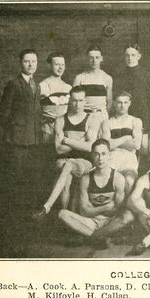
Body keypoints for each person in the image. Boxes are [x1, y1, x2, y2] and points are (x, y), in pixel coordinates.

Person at [31, 86, 100, 219]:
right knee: (66, 178)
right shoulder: (60, 120)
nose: (77, 104)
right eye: (74, 100)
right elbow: (58, 149)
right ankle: (65, 217)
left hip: (84, 162)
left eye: (80, 100)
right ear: (69, 100)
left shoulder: (92, 119)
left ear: (85, 101)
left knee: (68, 165)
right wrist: (81, 140)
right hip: (63, 160)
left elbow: (90, 148)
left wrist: (67, 140)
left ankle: (47, 206)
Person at [58, 139, 133, 248]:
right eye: (96, 154)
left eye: (103, 154)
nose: (100, 158)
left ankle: (91, 236)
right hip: (91, 222)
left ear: (109, 156)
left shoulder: (118, 178)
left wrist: (94, 210)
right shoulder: (86, 179)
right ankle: (99, 237)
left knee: (128, 216)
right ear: (92, 156)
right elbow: (84, 211)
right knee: (62, 214)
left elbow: (117, 209)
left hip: (110, 222)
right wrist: (106, 207)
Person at [0, 49, 42, 207]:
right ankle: (12, 211)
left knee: (28, 176)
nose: (30, 64)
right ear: (20, 63)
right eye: (27, 61)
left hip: (33, 140)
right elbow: (1, 113)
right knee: (15, 176)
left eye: (34, 61)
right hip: (17, 141)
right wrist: (15, 130)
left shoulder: (36, 85)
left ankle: (23, 210)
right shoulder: (14, 84)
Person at [100, 91, 142, 195]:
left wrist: (114, 142)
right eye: (119, 102)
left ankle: (126, 210)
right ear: (114, 103)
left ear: (129, 103)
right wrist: (126, 138)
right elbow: (106, 146)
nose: (122, 106)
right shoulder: (107, 122)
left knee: (129, 181)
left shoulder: (135, 121)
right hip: (111, 158)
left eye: (125, 102)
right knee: (107, 180)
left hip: (129, 159)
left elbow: (136, 145)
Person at [114, 43, 150, 133]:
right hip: (123, 114)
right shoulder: (119, 75)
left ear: (139, 56)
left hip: (142, 115)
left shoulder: (146, 75)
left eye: (133, 55)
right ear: (124, 56)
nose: (130, 58)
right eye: (127, 55)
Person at [73, 45, 113, 121]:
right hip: (83, 116)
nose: (94, 61)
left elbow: (109, 102)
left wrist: (103, 116)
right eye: (91, 58)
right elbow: (73, 100)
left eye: (97, 57)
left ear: (101, 59)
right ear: (87, 59)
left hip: (101, 116)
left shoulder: (107, 78)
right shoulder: (79, 78)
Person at [39, 52, 72, 144]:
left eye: (62, 64)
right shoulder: (42, 86)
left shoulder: (68, 87)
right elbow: (35, 110)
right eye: (57, 64)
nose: (60, 68)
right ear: (49, 66)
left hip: (64, 129)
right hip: (48, 130)